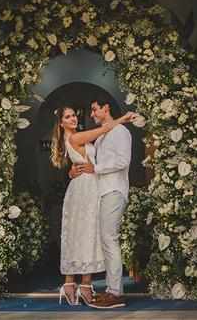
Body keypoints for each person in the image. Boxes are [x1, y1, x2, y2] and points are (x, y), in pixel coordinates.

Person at [50, 105, 136, 306]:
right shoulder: (74, 138)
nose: (73, 119)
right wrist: (123, 118)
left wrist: (74, 170)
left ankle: (84, 285)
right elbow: (102, 130)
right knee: (79, 233)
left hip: (94, 185)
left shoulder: (78, 136)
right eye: (68, 117)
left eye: (74, 115)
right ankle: (73, 284)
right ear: (61, 122)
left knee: (89, 234)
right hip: (84, 187)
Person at [70, 96, 133, 309]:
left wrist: (95, 169)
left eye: (95, 109)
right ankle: (110, 290)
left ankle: (116, 293)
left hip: (114, 190)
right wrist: (73, 172)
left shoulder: (120, 132)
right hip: (102, 192)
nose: (92, 114)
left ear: (106, 108)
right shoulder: (101, 137)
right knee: (107, 241)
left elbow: (123, 161)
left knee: (109, 239)